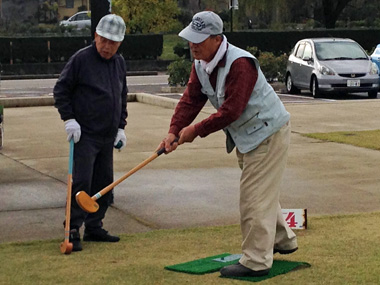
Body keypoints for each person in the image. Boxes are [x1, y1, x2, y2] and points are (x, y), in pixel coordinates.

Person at [157, 11, 298, 277]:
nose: (193, 45)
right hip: (247, 136)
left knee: (254, 197)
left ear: (217, 38)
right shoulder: (201, 63)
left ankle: (256, 261)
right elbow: (191, 99)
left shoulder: (240, 63)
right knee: (262, 192)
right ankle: (283, 240)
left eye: (199, 40)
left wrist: (194, 131)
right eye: (191, 39)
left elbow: (232, 110)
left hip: (268, 132)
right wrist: (174, 130)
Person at [54, 14, 128, 252]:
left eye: (113, 42)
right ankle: (73, 229)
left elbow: (121, 96)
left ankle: (94, 227)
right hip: (84, 134)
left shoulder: (119, 63)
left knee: (104, 184)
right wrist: (69, 119)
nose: (107, 46)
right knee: (82, 183)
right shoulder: (81, 60)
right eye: (103, 40)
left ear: (120, 43)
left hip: (107, 136)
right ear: (95, 36)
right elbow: (61, 89)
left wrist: (121, 127)